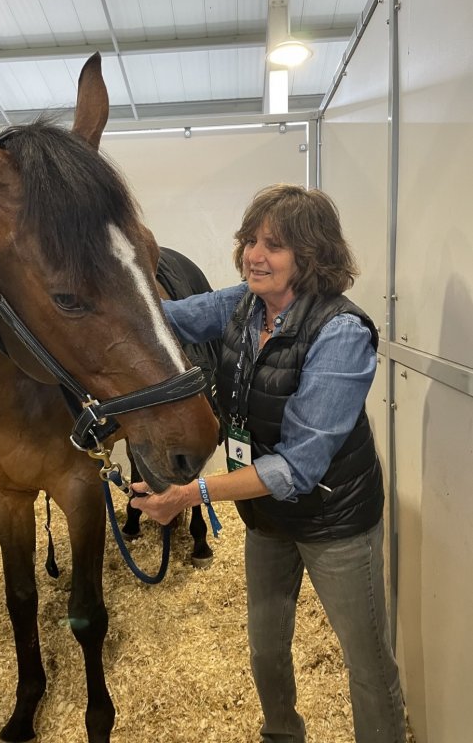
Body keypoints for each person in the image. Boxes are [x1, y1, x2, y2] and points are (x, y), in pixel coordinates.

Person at [130, 184, 406, 743]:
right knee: (266, 644)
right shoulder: (242, 302)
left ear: (312, 255)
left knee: (366, 660)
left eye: (274, 245)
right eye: (250, 240)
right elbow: (166, 319)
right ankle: (282, 735)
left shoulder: (341, 332)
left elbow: (299, 467)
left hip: (335, 522)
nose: (254, 255)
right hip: (268, 516)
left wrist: (189, 494)